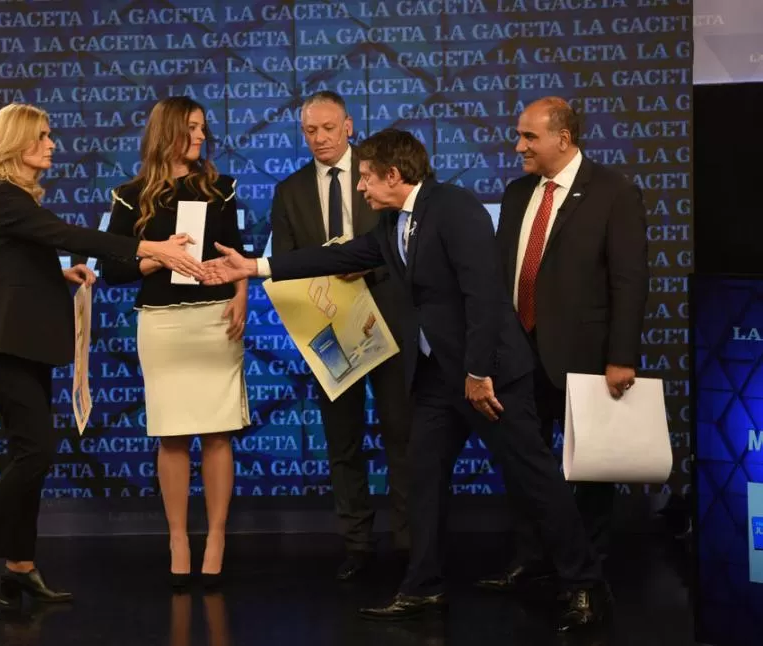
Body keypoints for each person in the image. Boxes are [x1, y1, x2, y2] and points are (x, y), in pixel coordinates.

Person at [201, 128, 607, 632]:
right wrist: (256, 267)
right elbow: (341, 256)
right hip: (437, 377)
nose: (361, 188)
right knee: (423, 477)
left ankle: (584, 584)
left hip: (489, 373)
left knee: (536, 478)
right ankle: (424, 587)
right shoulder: (396, 221)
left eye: (367, 178)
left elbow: (483, 296)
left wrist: (479, 372)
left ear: (394, 175)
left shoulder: (454, 208)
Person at [0, 102, 203, 606]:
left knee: (33, 454)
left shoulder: (14, 200)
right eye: (42, 136)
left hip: (21, 344)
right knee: (36, 451)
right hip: (0, 346)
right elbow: (70, 236)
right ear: (15, 143)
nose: (51, 144)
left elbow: (21, 259)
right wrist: (151, 249)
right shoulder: (3, 197)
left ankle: (21, 563)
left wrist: (59, 274)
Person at [477, 97, 649, 591]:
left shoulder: (613, 193)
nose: (519, 146)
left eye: (529, 137)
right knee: (524, 463)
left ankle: (587, 573)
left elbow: (629, 281)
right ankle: (532, 557)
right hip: (517, 354)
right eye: (520, 136)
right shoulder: (516, 194)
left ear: (563, 139)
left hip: (586, 358)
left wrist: (621, 357)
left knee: (589, 469)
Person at [101, 96, 249, 589]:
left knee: (217, 431)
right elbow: (113, 269)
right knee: (172, 433)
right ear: (168, 132)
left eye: (204, 127)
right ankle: (179, 539)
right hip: (162, 324)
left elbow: (239, 255)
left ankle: (218, 538)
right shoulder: (129, 195)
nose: (202, 136)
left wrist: (243, 296)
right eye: (192, 127)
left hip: (214, 317)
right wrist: (158, 259)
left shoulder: (221, 189)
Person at [270, 91, 410, 580]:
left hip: (389, 319)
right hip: (328, 328)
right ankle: (357, 544)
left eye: (328, 128)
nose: (319, 139)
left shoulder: (382, 173)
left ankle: (411, 543)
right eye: (310, 130)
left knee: (402, 436)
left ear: (349, 126)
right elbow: (284, 264)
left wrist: (361, 267)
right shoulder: (289, 191)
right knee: (343, 443)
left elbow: (401, 243)